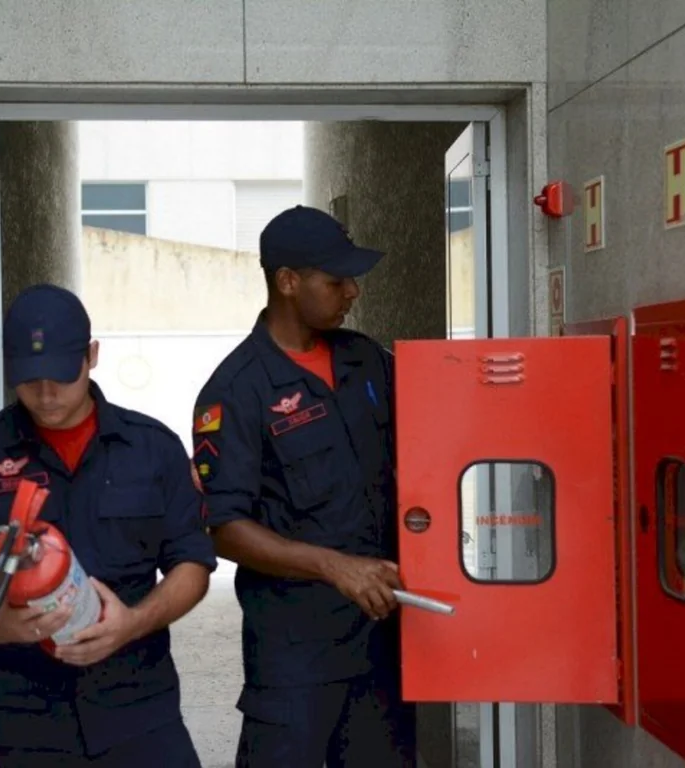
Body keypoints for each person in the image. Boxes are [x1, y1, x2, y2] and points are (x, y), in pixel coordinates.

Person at [0, 283, 216, 768]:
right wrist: (0, 626)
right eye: (29, 378)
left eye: (61, 375)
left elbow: (193, 564)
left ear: (92, 356)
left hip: (138, 712)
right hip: (21, 723)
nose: (45, 393)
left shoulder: (151, 449)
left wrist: (132, 623)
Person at [192, 205, 417, 767]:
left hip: (381, 640)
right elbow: (224, 529)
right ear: (288, 283)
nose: (353, 292)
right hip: (294, 654)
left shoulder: (367, 361)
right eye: (336, 281)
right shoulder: (236, 391)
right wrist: (333, 566)